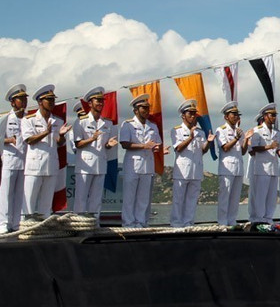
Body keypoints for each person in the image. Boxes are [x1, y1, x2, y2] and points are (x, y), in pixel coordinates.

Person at [21, 84, 71, 218]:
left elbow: (59, 144)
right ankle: (25, 226)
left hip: (51, 165)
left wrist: (61, 136)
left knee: (46, 203)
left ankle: (44, 226)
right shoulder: (29, 120)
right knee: (29, 201)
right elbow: (29, 140)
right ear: (39, 102)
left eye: (53, 100)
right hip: (34, 166)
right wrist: (46, 132)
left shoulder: (58, 121)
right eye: (48, 100)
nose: (52, 103)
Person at [119, 93, 167, 228]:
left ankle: (140, 222)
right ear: (136, 110)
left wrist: (156, 148)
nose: (146, 111)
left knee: (143, 198)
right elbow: (124, 143)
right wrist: (144, 146)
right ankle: (128, 223)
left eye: (147, 108)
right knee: (129, 197)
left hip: (147, 164)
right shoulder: (128, 125)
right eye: (143, 108)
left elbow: (157, 143)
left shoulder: (153, 126)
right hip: (132, 164)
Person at [72, 86, 118, 217]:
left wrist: (109, 145)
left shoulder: (107, 123)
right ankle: (78, 223)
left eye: (102, 100)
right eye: (97, 100)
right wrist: (92, 139)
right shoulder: (81, 122)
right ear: (90, 103)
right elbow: (78, 144)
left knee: (96, 198)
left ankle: (94, 222)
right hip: (85, 165)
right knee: (81, 197)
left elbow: (105, 145)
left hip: (100, 164)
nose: (100, 103)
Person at [170, 99, 212, 228]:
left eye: (194, 113)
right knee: (179, 199)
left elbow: (202, 150)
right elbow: (178, 148)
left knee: (192, 199)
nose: (193, 116)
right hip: (182, 170)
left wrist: (209, 142)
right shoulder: (176, 130)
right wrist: (190, 137)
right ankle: (176, 223)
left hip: (196, 169)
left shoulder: (200, 132)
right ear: (183, 115)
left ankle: (188, 222)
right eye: (190, 113)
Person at [215, 101, 248, 226]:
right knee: (225, 196)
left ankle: (232, 220)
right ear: (226, 116)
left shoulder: (239, 131)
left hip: (238, 167)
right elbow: (225, 148)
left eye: (237, 114)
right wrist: (236, 138)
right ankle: (222, 221)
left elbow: (243, 151)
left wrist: (246, 139)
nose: (236, 116)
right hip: (227, 168)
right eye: (233, 114)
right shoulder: (221, 130)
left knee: (235, 197)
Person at [1, 84, 29, 232]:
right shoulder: (5, 118)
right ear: (13, 102)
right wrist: (8, 140)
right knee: (6, 193)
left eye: (25, 99)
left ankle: (17, 223)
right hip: (9, 159)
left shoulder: (28, 118)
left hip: (24, 160)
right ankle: (3, 223)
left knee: (20, 194)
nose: (23, 102)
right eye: (20, 99)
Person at [247, 103, 280, 225]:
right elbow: (253, 149)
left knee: (271, 195)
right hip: (262, 168)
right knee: (260, 195)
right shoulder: (257, 131)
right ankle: (259, 219)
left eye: (275, 115)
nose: (274, 117)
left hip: (273, 167)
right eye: (272, 115)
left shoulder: (276, 133)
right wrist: (268, 146)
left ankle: (268, 218)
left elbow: (278, 149)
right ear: (265, 116)